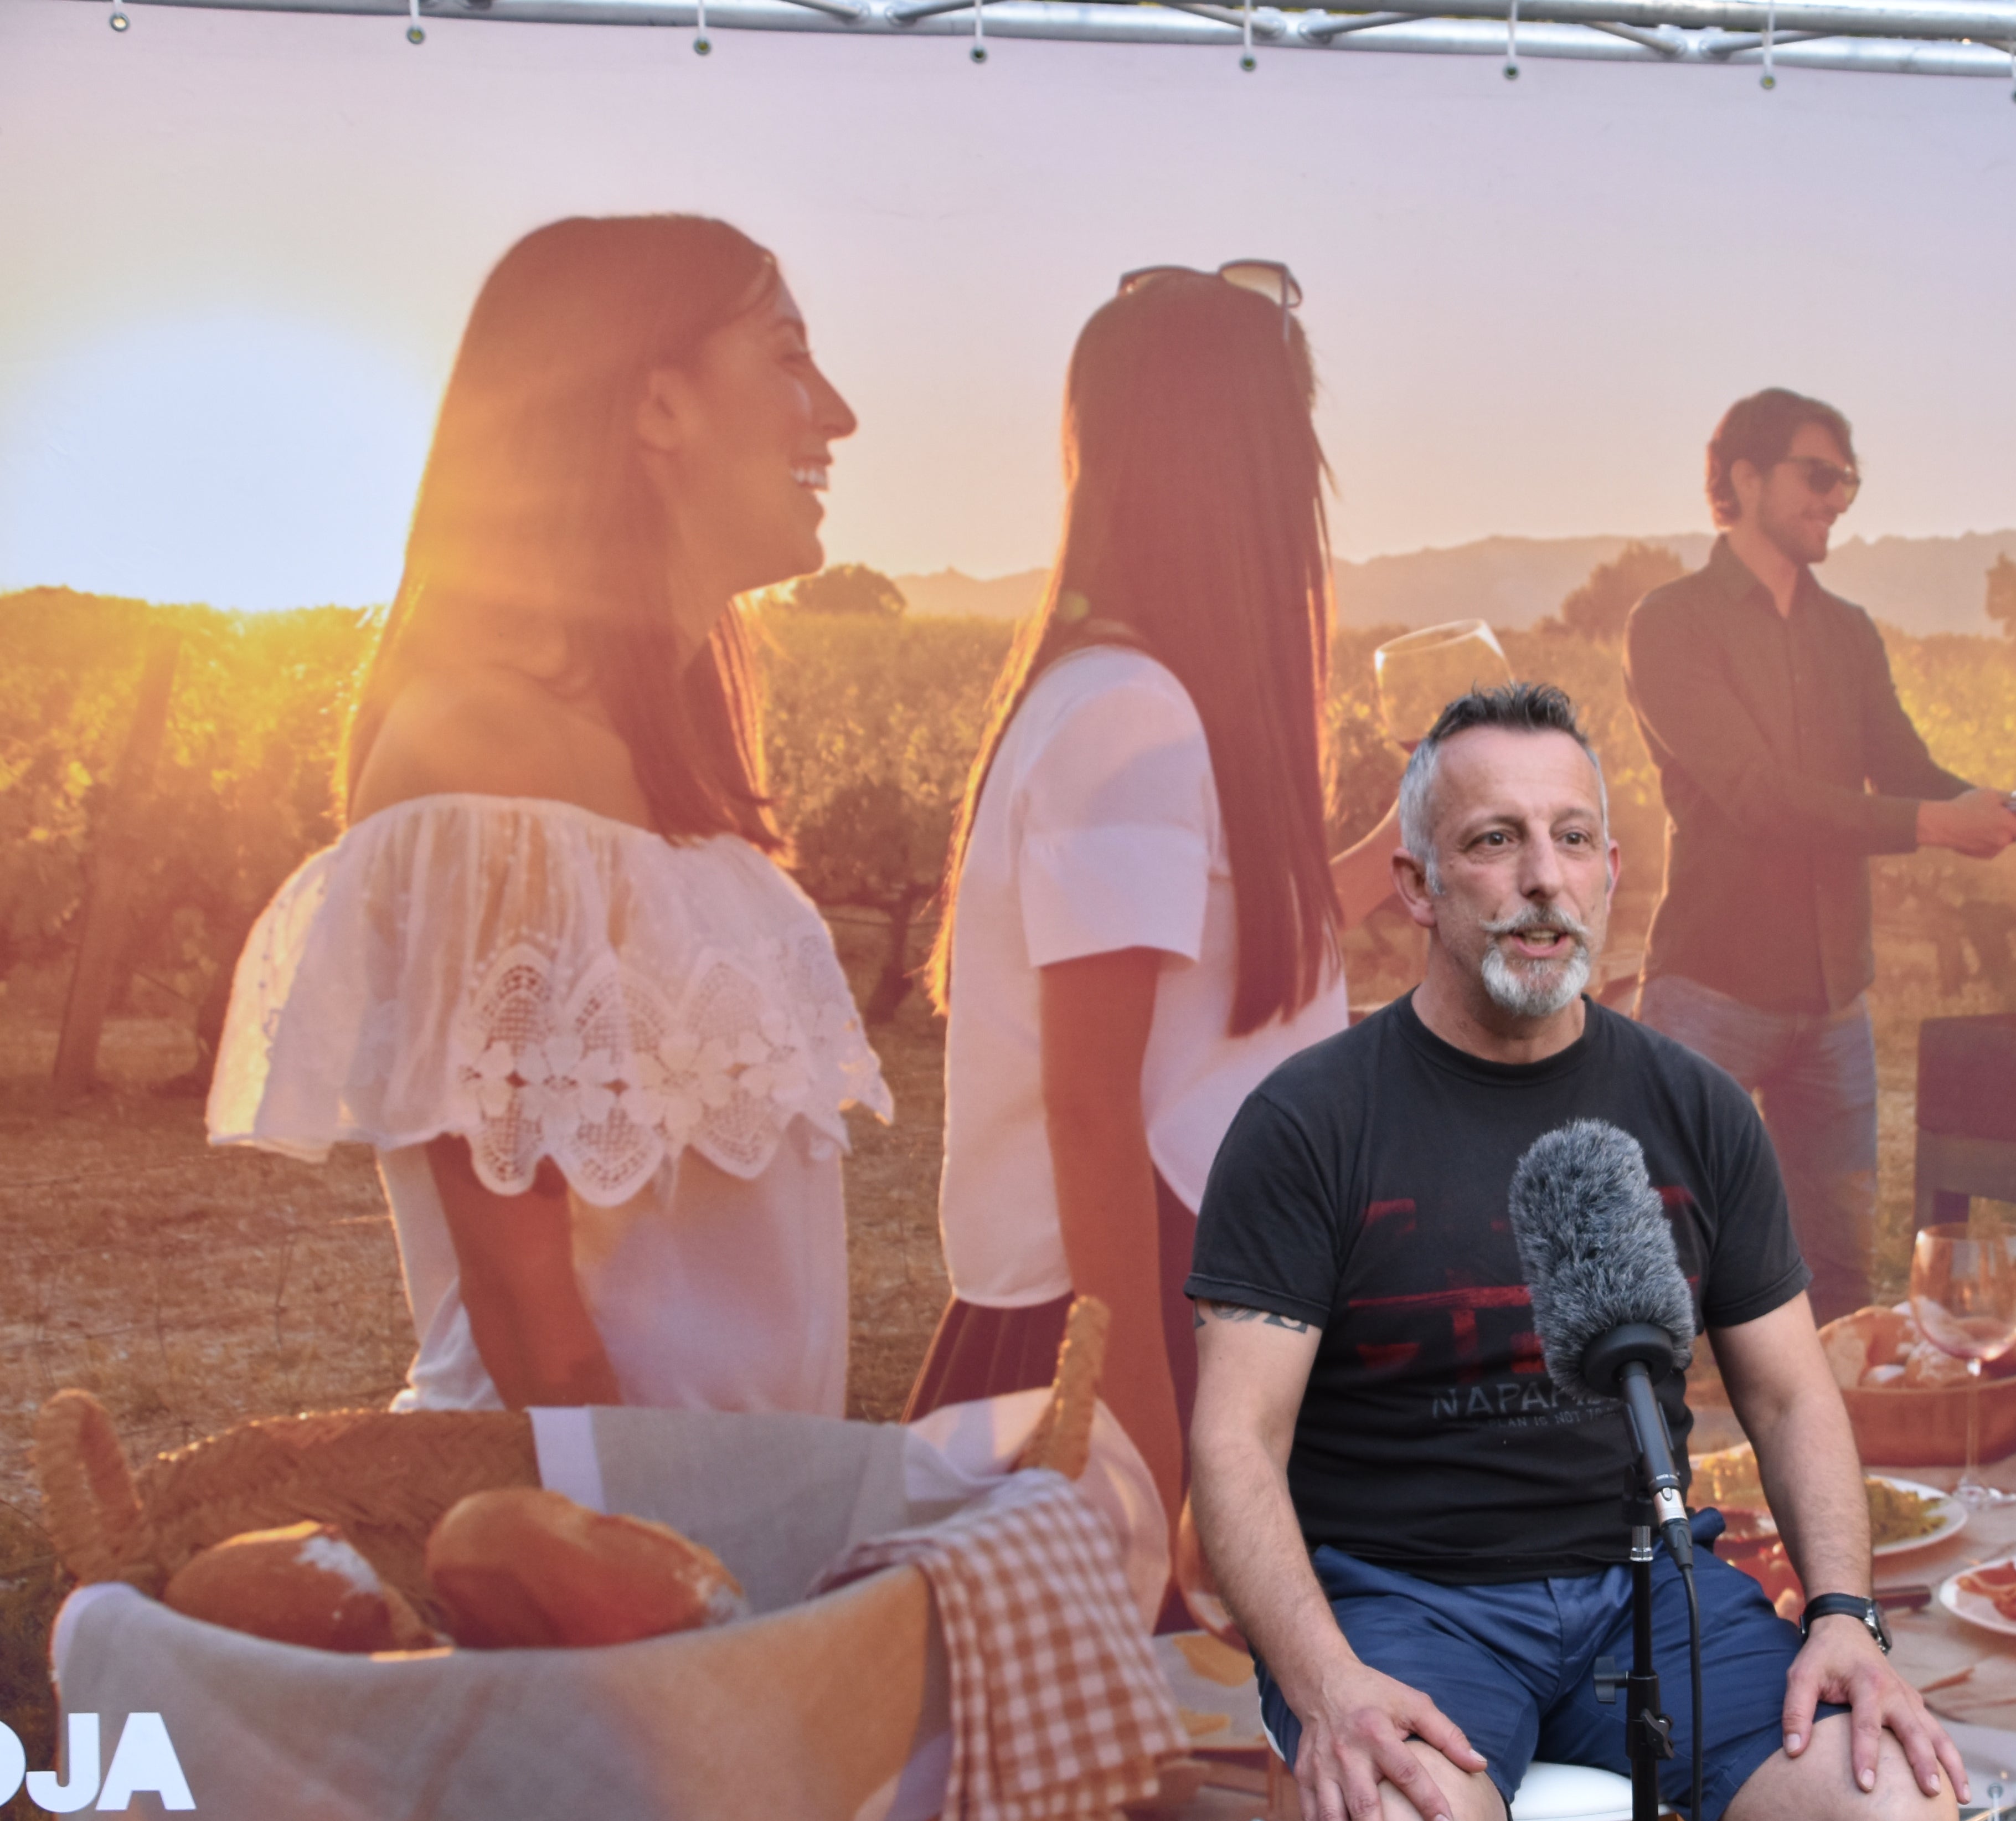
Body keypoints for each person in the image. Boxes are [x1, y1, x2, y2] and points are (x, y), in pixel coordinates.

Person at [1184, 683, 1965, 1821]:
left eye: (1573, 840)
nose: (1542, 878)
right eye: (1493, 841)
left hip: (1642, 1590)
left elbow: (1795, 1398)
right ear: (1416, 886)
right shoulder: (1310, 1123)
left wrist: (1848, 1619)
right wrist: (1331, 1689)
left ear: (1612, 874)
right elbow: (1232, 1444)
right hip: (1399, 1599)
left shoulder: (1691, 1110)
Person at [208, 216, 890, 1414]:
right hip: (592, 1546)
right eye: (788, 355)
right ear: (654, 406)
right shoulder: (486, 757)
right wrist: (657, 1577)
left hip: (729, 1532)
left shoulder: (673, 783)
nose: (833, 411)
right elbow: (534, 1328)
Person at [914, 261, 1399, 1520]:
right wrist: (1141, 1445)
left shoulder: (1132, 694)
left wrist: (1399, 858)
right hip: (1117, 1330)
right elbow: (1090, 1107)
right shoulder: (1127, 713)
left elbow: (1197, 975)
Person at [1622, 389, 2016, 1324]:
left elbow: (1904, 773)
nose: (1839, 497)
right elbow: (1757, 797)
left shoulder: (1849, 633)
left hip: (1836, 1007)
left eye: (1849, 480)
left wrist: (1998, 807)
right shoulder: (1669, 624)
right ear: (1743, 478)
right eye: (1818, 475)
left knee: (1838, 1284)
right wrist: (1934, 825)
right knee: (1651, 1276)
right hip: (1710, 991)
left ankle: (1835, 1465)